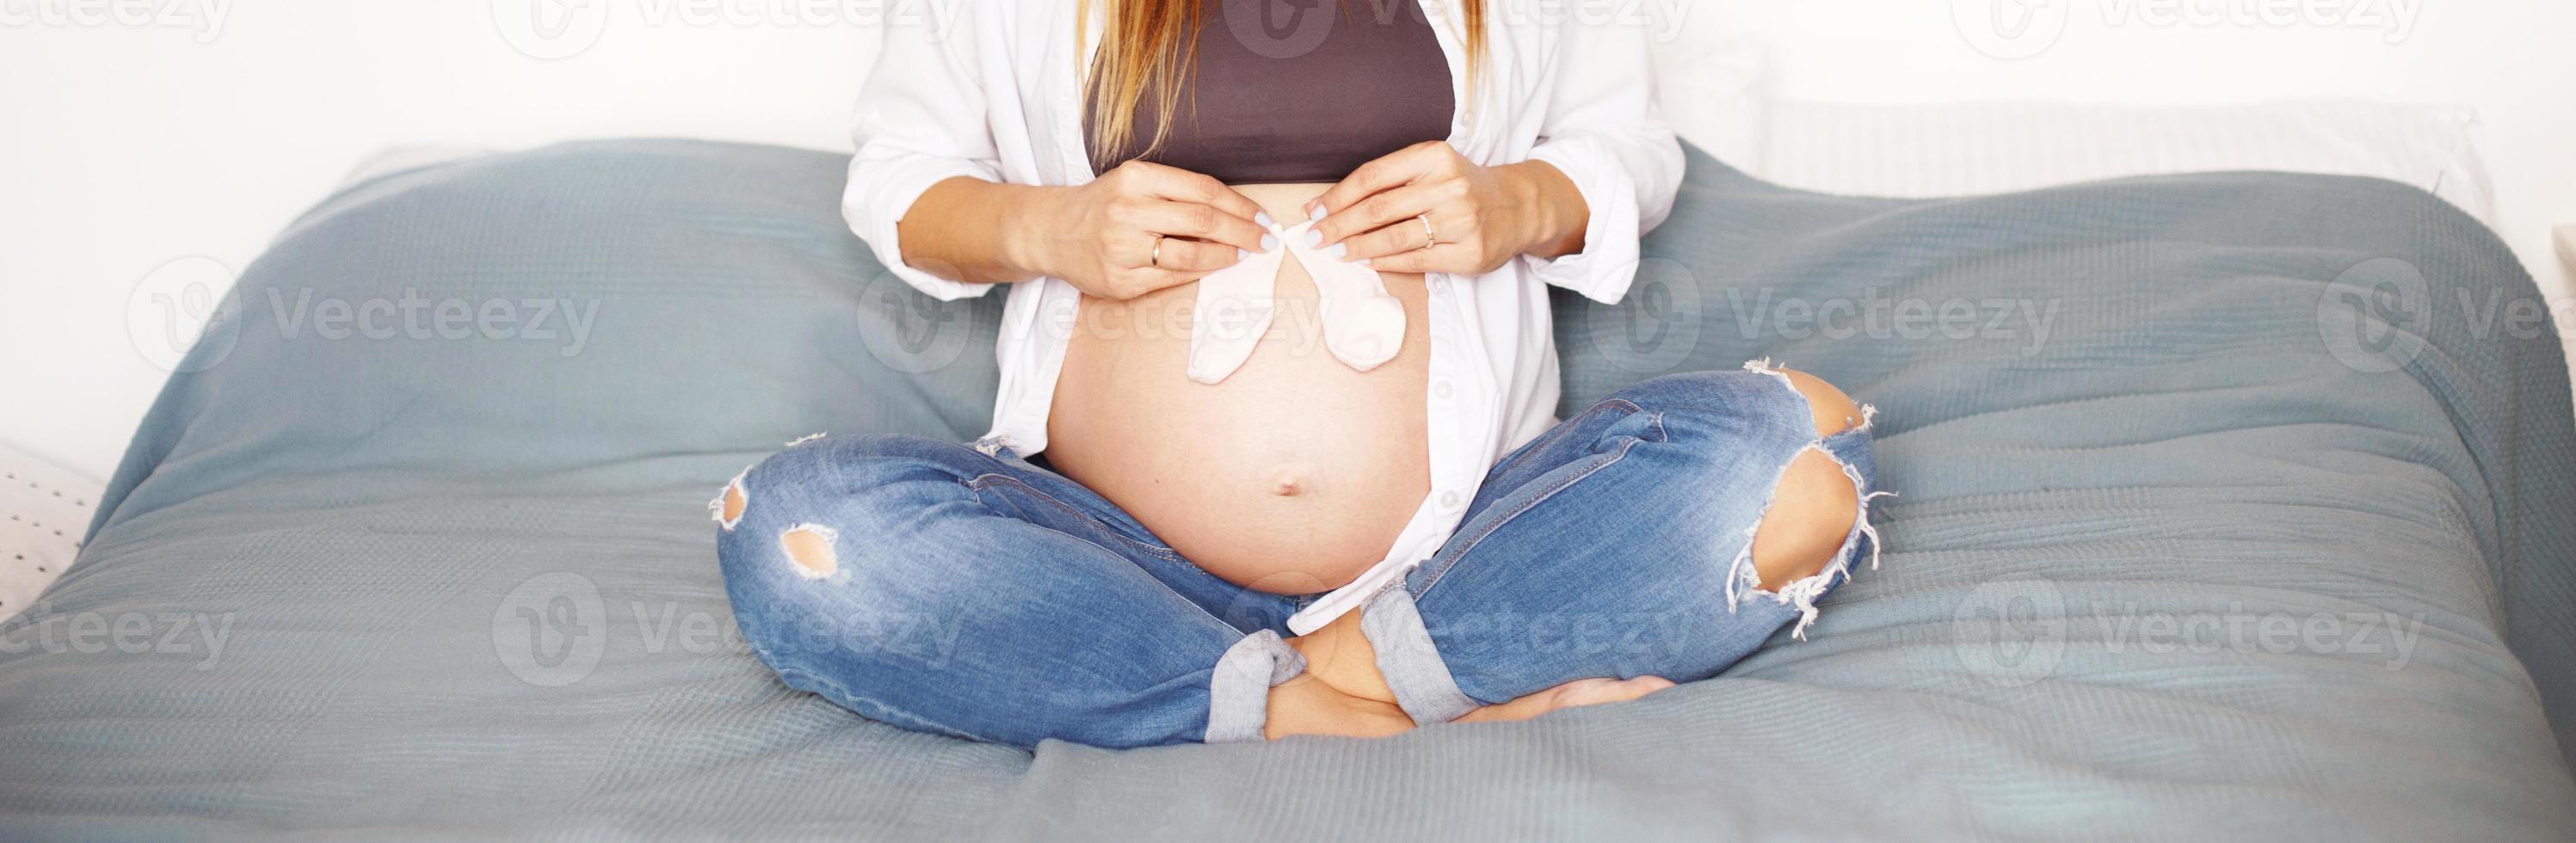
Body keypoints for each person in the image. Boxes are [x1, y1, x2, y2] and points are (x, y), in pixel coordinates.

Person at [714, 0, 1885, 749]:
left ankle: (1331, 674)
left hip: (1463, 543)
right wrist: (1044, 229)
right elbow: (902, 182)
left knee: (1791, 456)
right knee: (801, 530)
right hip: (1108, 562)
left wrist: (1517, 202)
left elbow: (1626, 147)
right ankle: (1359, 711)